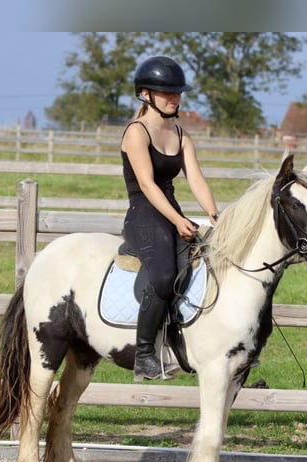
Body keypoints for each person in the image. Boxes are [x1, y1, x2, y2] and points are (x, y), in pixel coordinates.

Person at [121, 55, 219, 381]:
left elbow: (196, 179)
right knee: (163, 277)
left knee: (207, 264)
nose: (175, 98)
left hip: (171, 211)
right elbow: (147, 186)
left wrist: (214, 214)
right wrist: (178, 221)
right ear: (146, 94)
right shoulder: (136, 132)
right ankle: (144, 356)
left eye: (178, 93)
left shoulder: (181, 133)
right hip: (143, 215)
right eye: (168, 93)